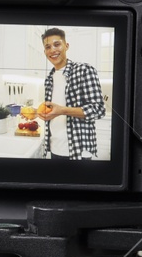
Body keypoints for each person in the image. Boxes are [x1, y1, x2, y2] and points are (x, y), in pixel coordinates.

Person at [35, 27, 105, 160]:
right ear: (45, 51)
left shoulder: (84, 70)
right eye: (48, 47)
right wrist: (37, 113)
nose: (53, 50)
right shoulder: (49, 78)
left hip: (78, 151)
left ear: (66, 46)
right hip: (55, 148)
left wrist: (62, 110)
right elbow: (53, 110)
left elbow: (99, 110)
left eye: (57, 44)